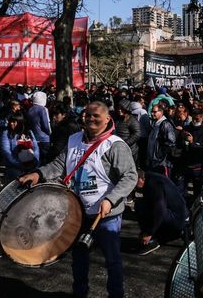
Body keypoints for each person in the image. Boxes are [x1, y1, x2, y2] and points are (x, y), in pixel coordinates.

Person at [19, 101, 137, 298]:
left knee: (112, 260)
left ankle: (116, 295)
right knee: (79, 258)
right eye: (88, 114)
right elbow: (59, 165)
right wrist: (38, 174)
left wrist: (110, 200)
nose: (90, 118)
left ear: (107, 119)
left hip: (106, 216)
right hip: (78, 211)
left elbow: (130, 176)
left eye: (96, 116)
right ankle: (79, 293)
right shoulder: (74, 139)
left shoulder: (115, 145)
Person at [134, 170, 188, 255]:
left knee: (140, 205)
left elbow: (159, 210)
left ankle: (152, 239)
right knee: (143, 203)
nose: (133, 187)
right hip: (177, 214)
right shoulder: (151, 178)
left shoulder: (154, 184)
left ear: (141, 179)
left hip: (177, 218)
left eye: (134, 183)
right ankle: (161, 233)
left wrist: (149, 232)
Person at [0, 112, 40, 184]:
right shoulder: (6, 133)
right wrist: (19, 165)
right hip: (14, 168)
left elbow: (36, 147)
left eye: (14, 122)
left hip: (31, 166)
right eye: (10, 121)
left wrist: (35, 161)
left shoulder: (29, 132)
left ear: (20, 122)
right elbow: (7, 152)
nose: (11, 124)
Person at [145, 103, 177, 177]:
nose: (152, 114)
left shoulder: (165, 124)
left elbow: (171, 142)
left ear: (161, 112)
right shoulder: (155, 123)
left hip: (161, 163)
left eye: (154, 112)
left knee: (163, 182)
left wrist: (160, 155)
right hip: (153, 162)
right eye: (152, 111)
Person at [27, 91, 51, 166]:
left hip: (34, 137)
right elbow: (46, 125)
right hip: (44, 138)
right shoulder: (43, 109)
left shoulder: (30, 109)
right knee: (44, 159)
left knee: (36, 157)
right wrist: (49, 133)